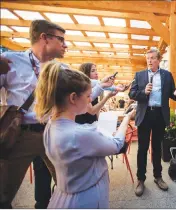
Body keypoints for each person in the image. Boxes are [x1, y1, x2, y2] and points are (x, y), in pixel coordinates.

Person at [34, 61, 136, 208]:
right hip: (87, 200)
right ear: (73, 98)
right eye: (88, 96)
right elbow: (117, 144)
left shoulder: (50, 126)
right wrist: (127, 118)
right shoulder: (81, 134)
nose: (90, 100)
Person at [0, 19, 68, 209]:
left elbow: (81, 93)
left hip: (52, 133)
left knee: (69, 183)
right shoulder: (11, 61)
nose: (65, 45)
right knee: (3, 193)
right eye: (61, 39)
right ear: (44, 38)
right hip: (20, 134)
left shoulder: (61, 68)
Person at [129, 48, 176, 197]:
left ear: (159, 60)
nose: (150, 60)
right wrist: (143, 92)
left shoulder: (167, 75)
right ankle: (140, 179)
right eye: (148, 58)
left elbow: (172, 95)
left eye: (153, 58)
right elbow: (132, 94)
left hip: (160, 114)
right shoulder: (139, 75)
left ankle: (158, 177)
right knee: (142, 148)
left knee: (157, 148)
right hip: (145, 115)